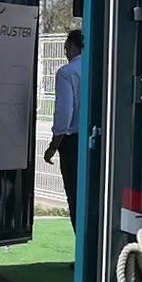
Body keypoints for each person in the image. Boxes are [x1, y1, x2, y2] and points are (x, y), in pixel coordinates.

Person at [43, 28, 84, 228]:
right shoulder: (99, 68)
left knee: (74, 194)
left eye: (66, 46)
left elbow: (64, 112)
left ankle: (81, 247)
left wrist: (54, 144)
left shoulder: (67, 73)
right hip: (97, 137)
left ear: (72, 46)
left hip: (73, 141)